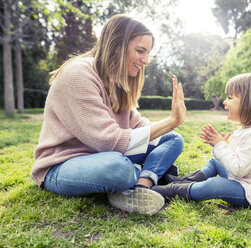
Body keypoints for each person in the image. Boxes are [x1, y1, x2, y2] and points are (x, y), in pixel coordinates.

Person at [30, 14, 186, 215]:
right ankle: (145, 172)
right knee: (119, 168)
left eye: (148, 53)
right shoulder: (78, 74)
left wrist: (168, 127)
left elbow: (137, 125)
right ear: (117, 45)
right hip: (62, 164)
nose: (145, 60)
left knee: (173, 139)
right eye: (140, 51)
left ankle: (141, 186)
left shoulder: (118, 82)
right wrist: (170, 121)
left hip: (104, 153)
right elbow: (108, 141)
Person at [152, 72, 251, 211]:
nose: (224, 102)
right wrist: (225, 147)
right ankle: (186, 181)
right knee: (216, 161)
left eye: (230, 98)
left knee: (215, 185)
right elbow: (239, 162)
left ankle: (174, 190)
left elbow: (238, 169)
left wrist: (221, 145)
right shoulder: (248, 131)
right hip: (243, 182)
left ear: (250, 103)